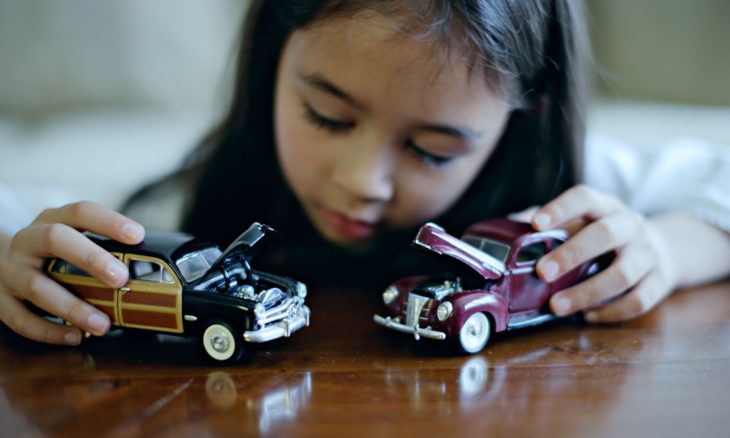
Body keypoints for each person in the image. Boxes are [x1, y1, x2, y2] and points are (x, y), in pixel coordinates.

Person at [1, 0, 729, 346]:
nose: (363, 183)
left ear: (523, 115)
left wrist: (666, 248)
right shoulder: (200, 202)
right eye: (327, 116)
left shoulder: (565, 204)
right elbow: (24, 219)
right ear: (272, 65)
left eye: (434, 151)